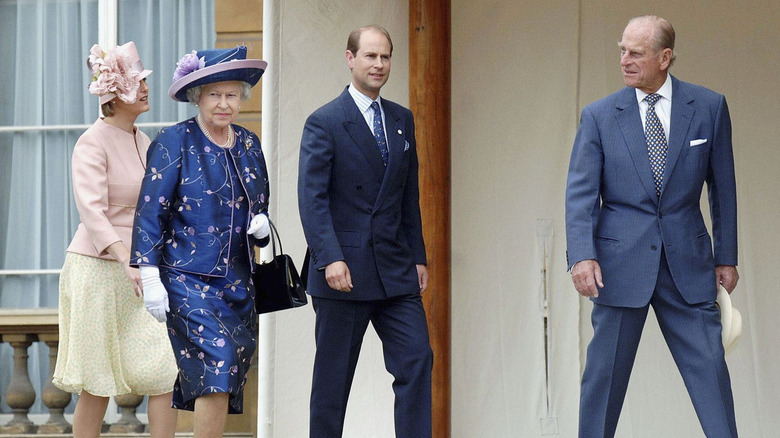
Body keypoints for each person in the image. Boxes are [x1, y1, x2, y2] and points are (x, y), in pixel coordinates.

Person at [565, 15, 739, 437]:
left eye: (635, 53)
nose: (624, 60)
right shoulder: (599, 115)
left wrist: (726, 256)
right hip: (618, 265)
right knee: (602, 382)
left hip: (689, 262)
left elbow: (723, 187)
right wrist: (582, 255)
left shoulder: (709, 106)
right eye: (621, 50)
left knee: (711, 373)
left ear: (665, 58)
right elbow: (581, 194)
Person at [298, 25, 434, 438]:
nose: (379, 65)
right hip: (344, 272)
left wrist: (418, 256)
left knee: (417, 360)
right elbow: (312, 198)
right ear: (350, 58)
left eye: (385, 57)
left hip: (395, 269)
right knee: (333, 383)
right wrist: (330, 257)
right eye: (370, 56)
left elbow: (408, 196)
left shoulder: (401, 119)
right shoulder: (324, 121)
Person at [130, 46, 270, 437]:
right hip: (186, 278)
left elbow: (259, 199)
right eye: (214, 95)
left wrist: (260, 222)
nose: (224, 103)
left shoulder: (248, 143)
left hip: (239, 282)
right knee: (218, 363)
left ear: (241, 97)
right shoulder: (174, 140)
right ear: (198, 97)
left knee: (228, 372)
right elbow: (150, 210)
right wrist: (150, 274)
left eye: (231, 95)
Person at [52, 41, 178, 438]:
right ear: (114, 95)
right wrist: (126, 259)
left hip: (142, 271)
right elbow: (92, 212)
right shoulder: (91, 141)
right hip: (98, 271)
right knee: (97, 383)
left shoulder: (146, 141)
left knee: (163, 370)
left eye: (144, 81)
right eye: (136, 82)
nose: (145, 88)